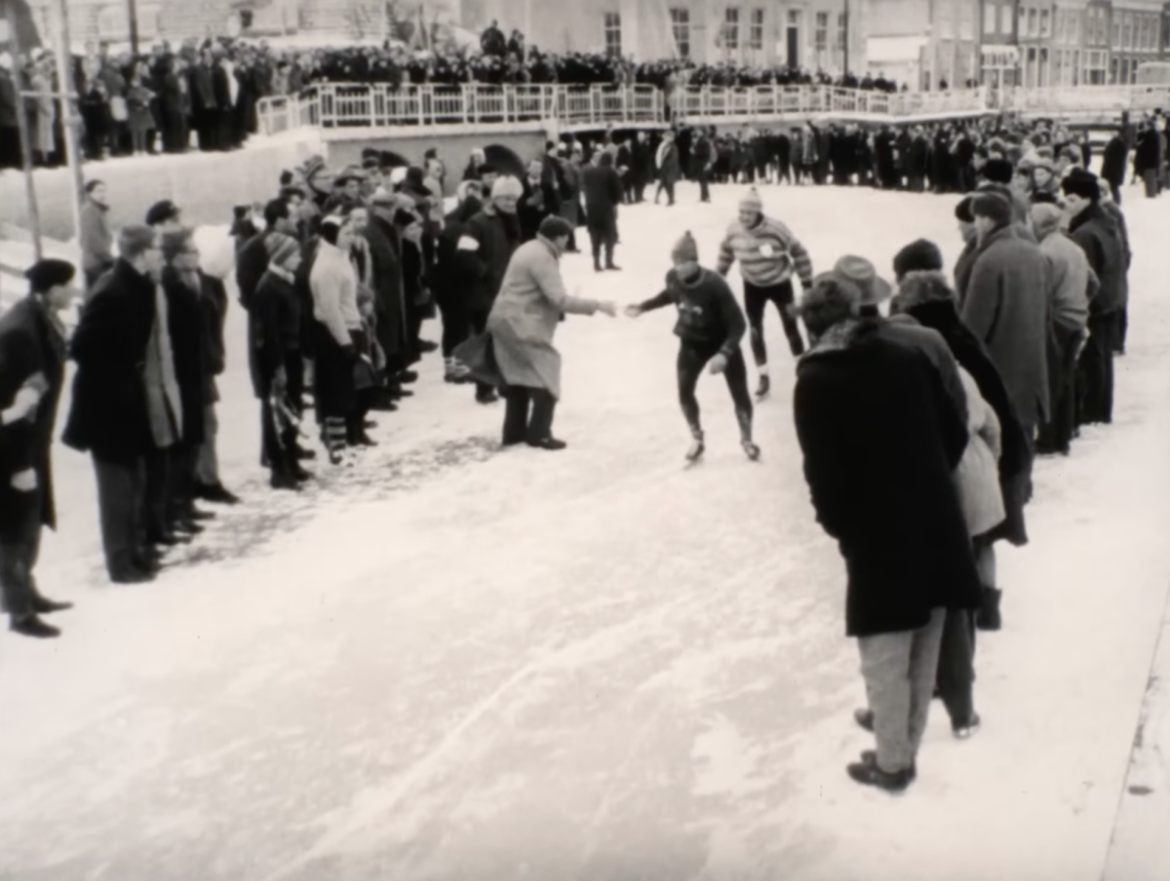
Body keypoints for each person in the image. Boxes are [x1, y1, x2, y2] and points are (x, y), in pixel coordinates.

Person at [792, 273, 981, 792]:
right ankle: (904, 749)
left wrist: (842, 527)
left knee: (884, 655)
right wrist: (930, 481)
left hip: (877, 536)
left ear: (813, 326)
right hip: (937, 521)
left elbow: (822, 472)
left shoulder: (817, 378)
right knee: (925, 646)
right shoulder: (905, 357)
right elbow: (955, 428)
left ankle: (894, 763)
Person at [63, 225, 166, 584]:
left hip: (126, 395)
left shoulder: (138, 286)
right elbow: (80, 347)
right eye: (157, 248)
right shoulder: (112, 291)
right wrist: (116, 379)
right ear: (141, 253)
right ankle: (120, 563)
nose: (161, 254)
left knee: (135, 477)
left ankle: (135, 552)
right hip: (105, 404)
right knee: (116, 486)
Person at [626, 231, 759, 463]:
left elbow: (738, 323)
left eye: (681, 263)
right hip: (691, 342)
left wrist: (725, 353)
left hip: (720, 341)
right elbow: (669, 294)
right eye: (674, 263)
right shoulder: (673, 277)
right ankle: (696, 437)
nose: (677, 268)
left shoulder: (715, 284)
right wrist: (643, 307)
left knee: (739, 393)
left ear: (694, 261)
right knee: (684, 391)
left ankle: (747, 439)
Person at [487, 216, 617, 450]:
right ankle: (540, 434)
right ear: (558, 237)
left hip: (503, 319)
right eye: (566, 237)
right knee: (547, 372)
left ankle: (514, 433)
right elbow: (559, 299)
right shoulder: (542, 257)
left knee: (518, 377)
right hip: (521, 324)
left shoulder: (529, 247)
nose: (567, 241)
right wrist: (597, 305)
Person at [0, 259, 78, 638]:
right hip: (17, 446)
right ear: (51, 290)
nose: (74, 292)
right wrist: (19, 464)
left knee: (30, 520)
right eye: (69, 286)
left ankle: (25, 593)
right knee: (16, 526)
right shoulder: (20, 332)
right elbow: (15, 408)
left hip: (33, 440)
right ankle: (18, 611)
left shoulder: (38, 318)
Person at [715, 188, 814, 399]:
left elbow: (799, 252)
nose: (744, 217)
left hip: (780, 283)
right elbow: (726, 252)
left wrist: (806, 282)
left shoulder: (776, 229)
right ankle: (763, 376)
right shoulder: (734, 230)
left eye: (748, 213)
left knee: (791, 327)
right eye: (741, 212)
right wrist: (719, 276)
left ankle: (804, 371)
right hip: (752, 285)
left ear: (758, 213)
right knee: (755, 330)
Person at [1062, 168, 1125, 427]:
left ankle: (1094, 410)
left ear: (1088, 199)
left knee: (1093, 357)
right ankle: (1101, 408)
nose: (1066, 204)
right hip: (1112, 298)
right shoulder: (1106, 221)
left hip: (1097, 303)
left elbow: (1084, 275)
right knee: (1102, 356)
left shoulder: (1085, 233)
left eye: (1073, 200)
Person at [1032, 202, 1094, 456]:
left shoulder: (1043, 252)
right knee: (1067, 378)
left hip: (1056, 321)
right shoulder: (1074, 248)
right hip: (1077, 320)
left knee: (1050, 381)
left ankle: (1047, 439)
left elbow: (1041, 293)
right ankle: (1063, 435)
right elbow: (1093, 282)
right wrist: (1081, 304)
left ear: (1039, 224)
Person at [252, 234, 312, 489]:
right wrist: (278, 368)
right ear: (282, 258)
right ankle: (280, 470)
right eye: (295, 255)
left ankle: (292, 462)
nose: (299, 259)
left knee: (293, 409)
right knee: (279, 415)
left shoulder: (286, 281)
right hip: (279, 360)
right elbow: (269, 333)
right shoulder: (268, 287)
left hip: (292, 355)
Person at [460, 175, 523, 405]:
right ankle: (483, 388)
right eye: (505, 198)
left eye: (513, 198)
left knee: (506, 340)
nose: (510, 203)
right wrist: (486, 272)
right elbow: (464, 254)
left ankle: (504, 383)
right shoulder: (478, 222)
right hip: (484, 294)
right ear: (495, 198)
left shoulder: (512, 219)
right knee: (487, 342)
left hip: (506, 290)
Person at [309, 216, 362, 465]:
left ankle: (340, 441)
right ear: (332, 236)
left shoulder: (340, 257)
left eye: (352, 232)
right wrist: (345, 342)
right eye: (347, 233)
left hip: (350, 327)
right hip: (334, 335)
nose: (352, 237)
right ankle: (336, 447)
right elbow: (330, 309)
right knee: (336, 393)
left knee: (346, 390)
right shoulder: (327, 266)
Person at [581, 151, 623, 273]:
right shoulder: (611, 172)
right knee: (609, 235)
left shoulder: (590, 172)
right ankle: (608, 262)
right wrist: (615, 202)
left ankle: (596, 263)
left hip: (591, 208)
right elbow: (617, 190)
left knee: (595, 236)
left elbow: (586, 187)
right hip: (606, 208)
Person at [79, 180, 115, 292]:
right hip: (96, 264)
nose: (102, 194)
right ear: (89, 194)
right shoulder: (89, 210)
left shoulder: (98, 210)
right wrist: (109, 259)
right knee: (101, 297)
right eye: (98, 191)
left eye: (104, 191)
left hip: (99, 262)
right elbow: (92, 239)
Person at [655, 131, 681, 206]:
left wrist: (664, 165)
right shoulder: (665, 145)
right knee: (665, 183)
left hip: (670, 168)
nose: (666, 138)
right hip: (666, 168)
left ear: (671, 138)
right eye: (666, 137)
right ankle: (669, 199)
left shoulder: (673, 146)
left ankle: (670, 199)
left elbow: (673, 158)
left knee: (668, 183)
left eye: (668, 137)